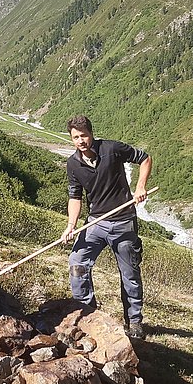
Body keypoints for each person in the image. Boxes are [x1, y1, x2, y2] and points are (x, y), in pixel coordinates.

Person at [60, 115, 152, 339]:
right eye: (75, 137)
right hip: (95, 222)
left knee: (129, 273)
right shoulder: (73, 164)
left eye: (84, 136)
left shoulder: (112, 149)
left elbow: (145, 158)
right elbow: (75, 196)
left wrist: (140, 187)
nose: (80, 141)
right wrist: (71, 225)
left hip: (123, 221)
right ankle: (88, 314)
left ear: (91, 134)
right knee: (77, 262)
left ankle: (134, 321)